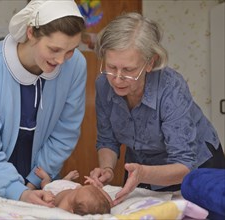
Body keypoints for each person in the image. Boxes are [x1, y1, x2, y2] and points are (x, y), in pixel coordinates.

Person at [0, 0, 87, 207]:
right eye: (54, 49)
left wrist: (33, 182)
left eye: (70, 50)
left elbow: (65, 132)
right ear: (31, 32)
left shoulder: (75, 65)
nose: (62, 60)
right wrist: (18, 191)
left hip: (39, 182)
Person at [89, 12, 225, 206]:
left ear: (150, 63)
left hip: (196, 166)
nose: (117, 79)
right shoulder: (103, 84)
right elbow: (107, 140)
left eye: (128, 70)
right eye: (111, 67)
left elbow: (184, 165)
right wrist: (107, 169)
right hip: (141, 166)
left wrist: (144, 174)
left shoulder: (171, 87)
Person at [31, 167, 112, 215]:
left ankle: (46, 177)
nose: (77, 189)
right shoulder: (79, 194)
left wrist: (48, 200)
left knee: (45, 184)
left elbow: (54, 212)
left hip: (55, 191)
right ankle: (66, 179)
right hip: (70, 185)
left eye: (77, 192)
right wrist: (97, 187)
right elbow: (110, 203)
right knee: (73, 185)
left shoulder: (64, 207)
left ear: (71, 210)